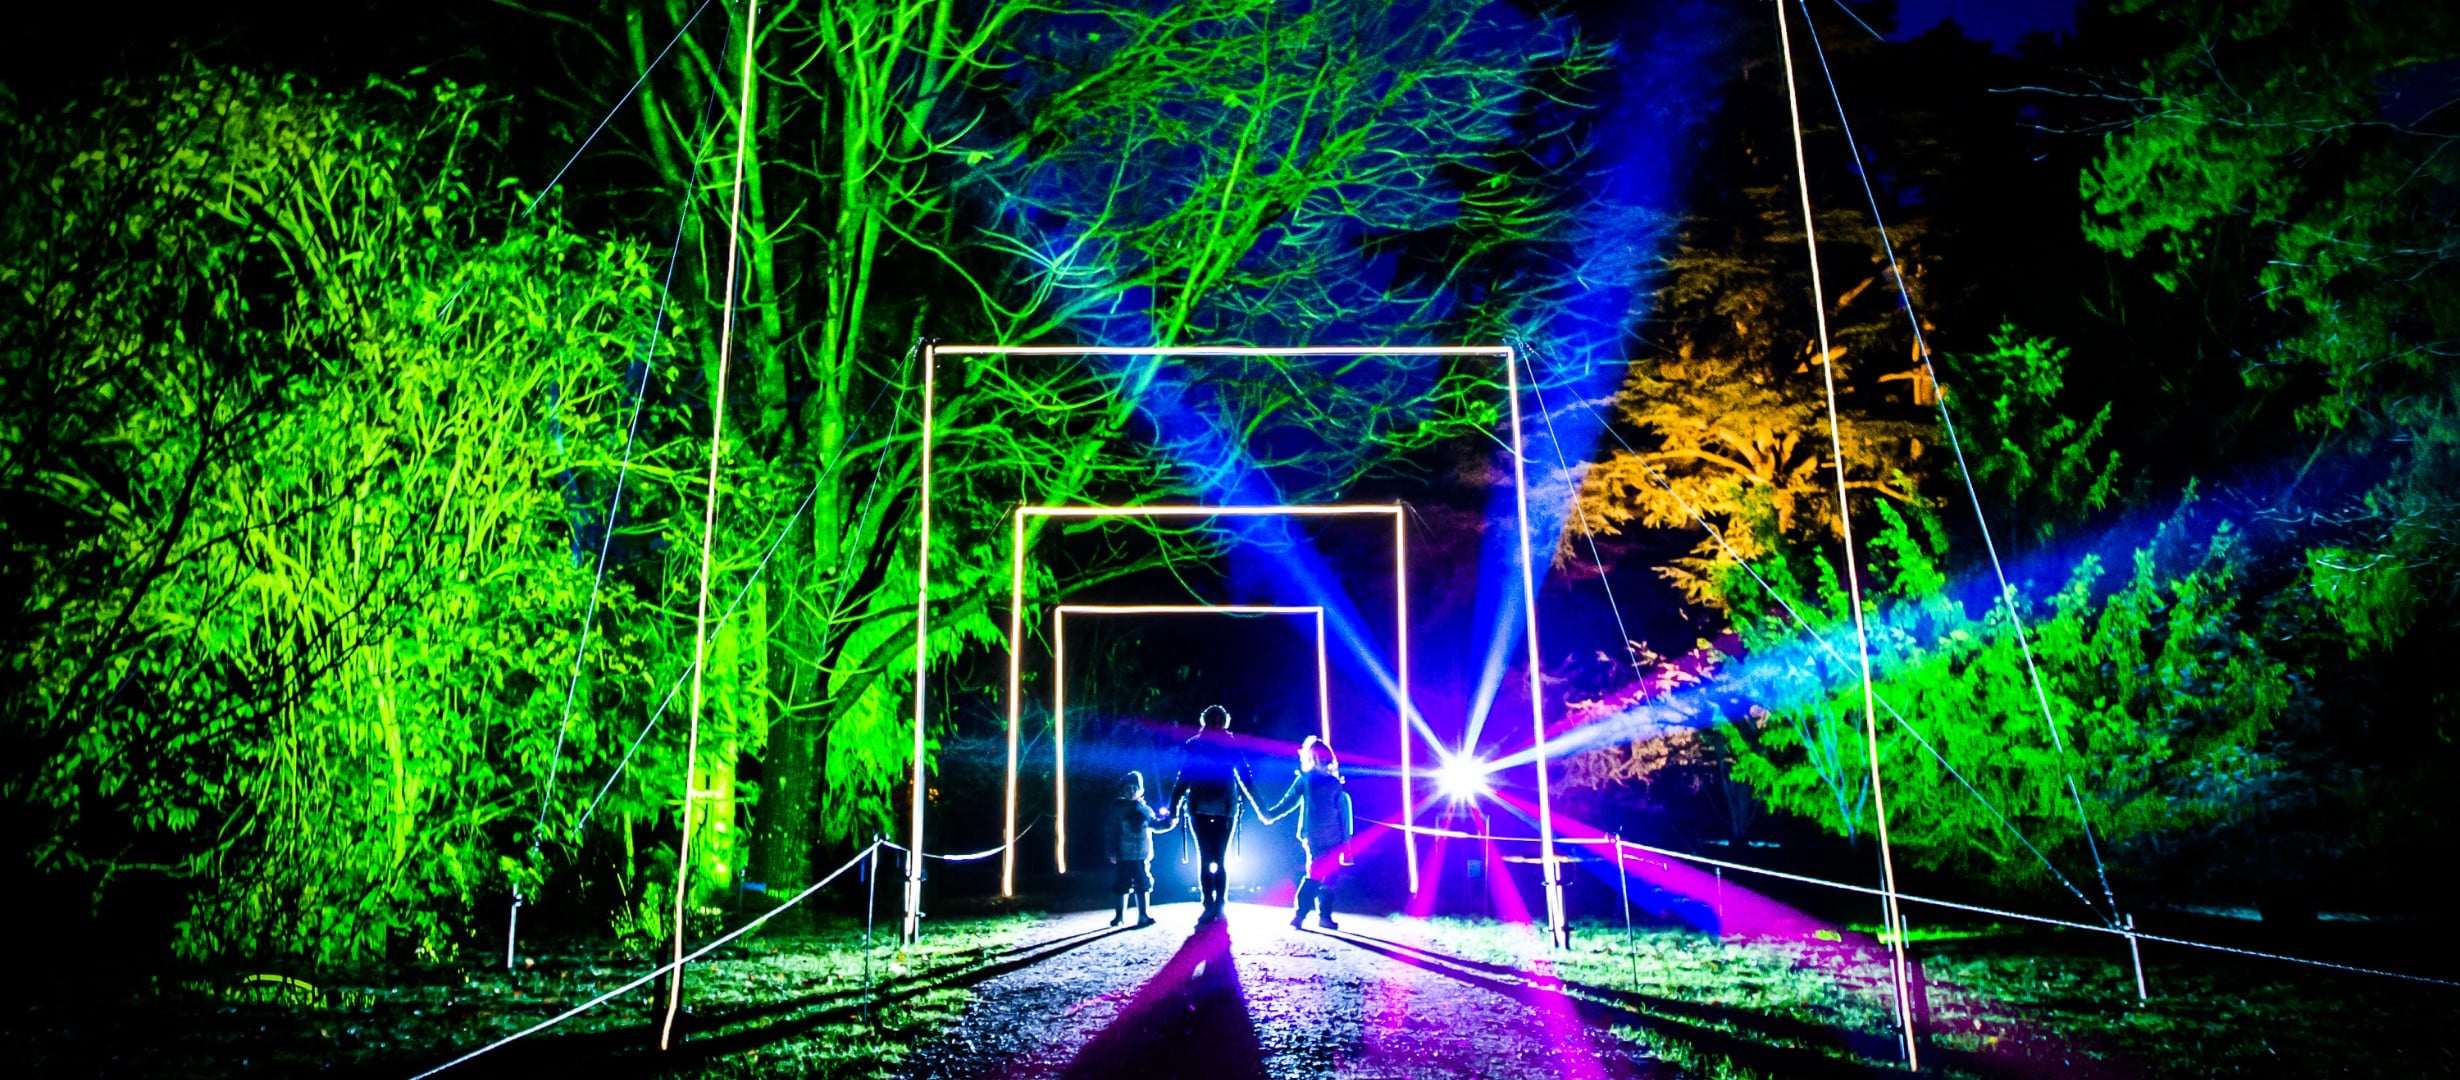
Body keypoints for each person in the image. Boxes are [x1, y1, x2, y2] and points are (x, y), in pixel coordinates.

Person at [1170, 704, 1257, 923]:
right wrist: (1174, 806)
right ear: (1206, 722)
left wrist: (1259, 805)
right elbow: (1184, 776)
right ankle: (1209, 903)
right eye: (1213, 720)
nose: (1217, 724)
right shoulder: (1195, 745)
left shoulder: (1228, 745)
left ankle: (1218, 904)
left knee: (1218, 857)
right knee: (1207, 857)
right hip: (1201, 807)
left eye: (1219, 720)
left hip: (1223, 809)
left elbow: (1244, 776)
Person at [1260, 736, 1353, 930]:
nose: (1320, 759)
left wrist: (1346, 843)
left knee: (1330, 877)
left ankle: (1324, 917)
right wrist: (1271, 815)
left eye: (1322, 755)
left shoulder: (1334, 783)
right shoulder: (1305, 779)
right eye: (1315, 755)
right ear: (1310, 757)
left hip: (1335, 838)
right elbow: (1289, 801)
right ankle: (1300, 914)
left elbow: (1343, 815)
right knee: (1315, 874)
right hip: (1314, 837)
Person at [1108, 770, 1176, 928]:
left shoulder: (1145, 810)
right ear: (1122, 790)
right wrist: (1111, 851)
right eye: (1128, 788)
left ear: (1141, 790)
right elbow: (1111, 831)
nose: (1131, 791)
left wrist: (1169, 822)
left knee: (1143, 884)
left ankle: (1143, 915)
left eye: (1135, 788)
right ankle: (1119, 916)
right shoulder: (1117, 810)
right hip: (1123, 855)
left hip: (1141, 855)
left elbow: (1156, 825)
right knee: (1121, 885)